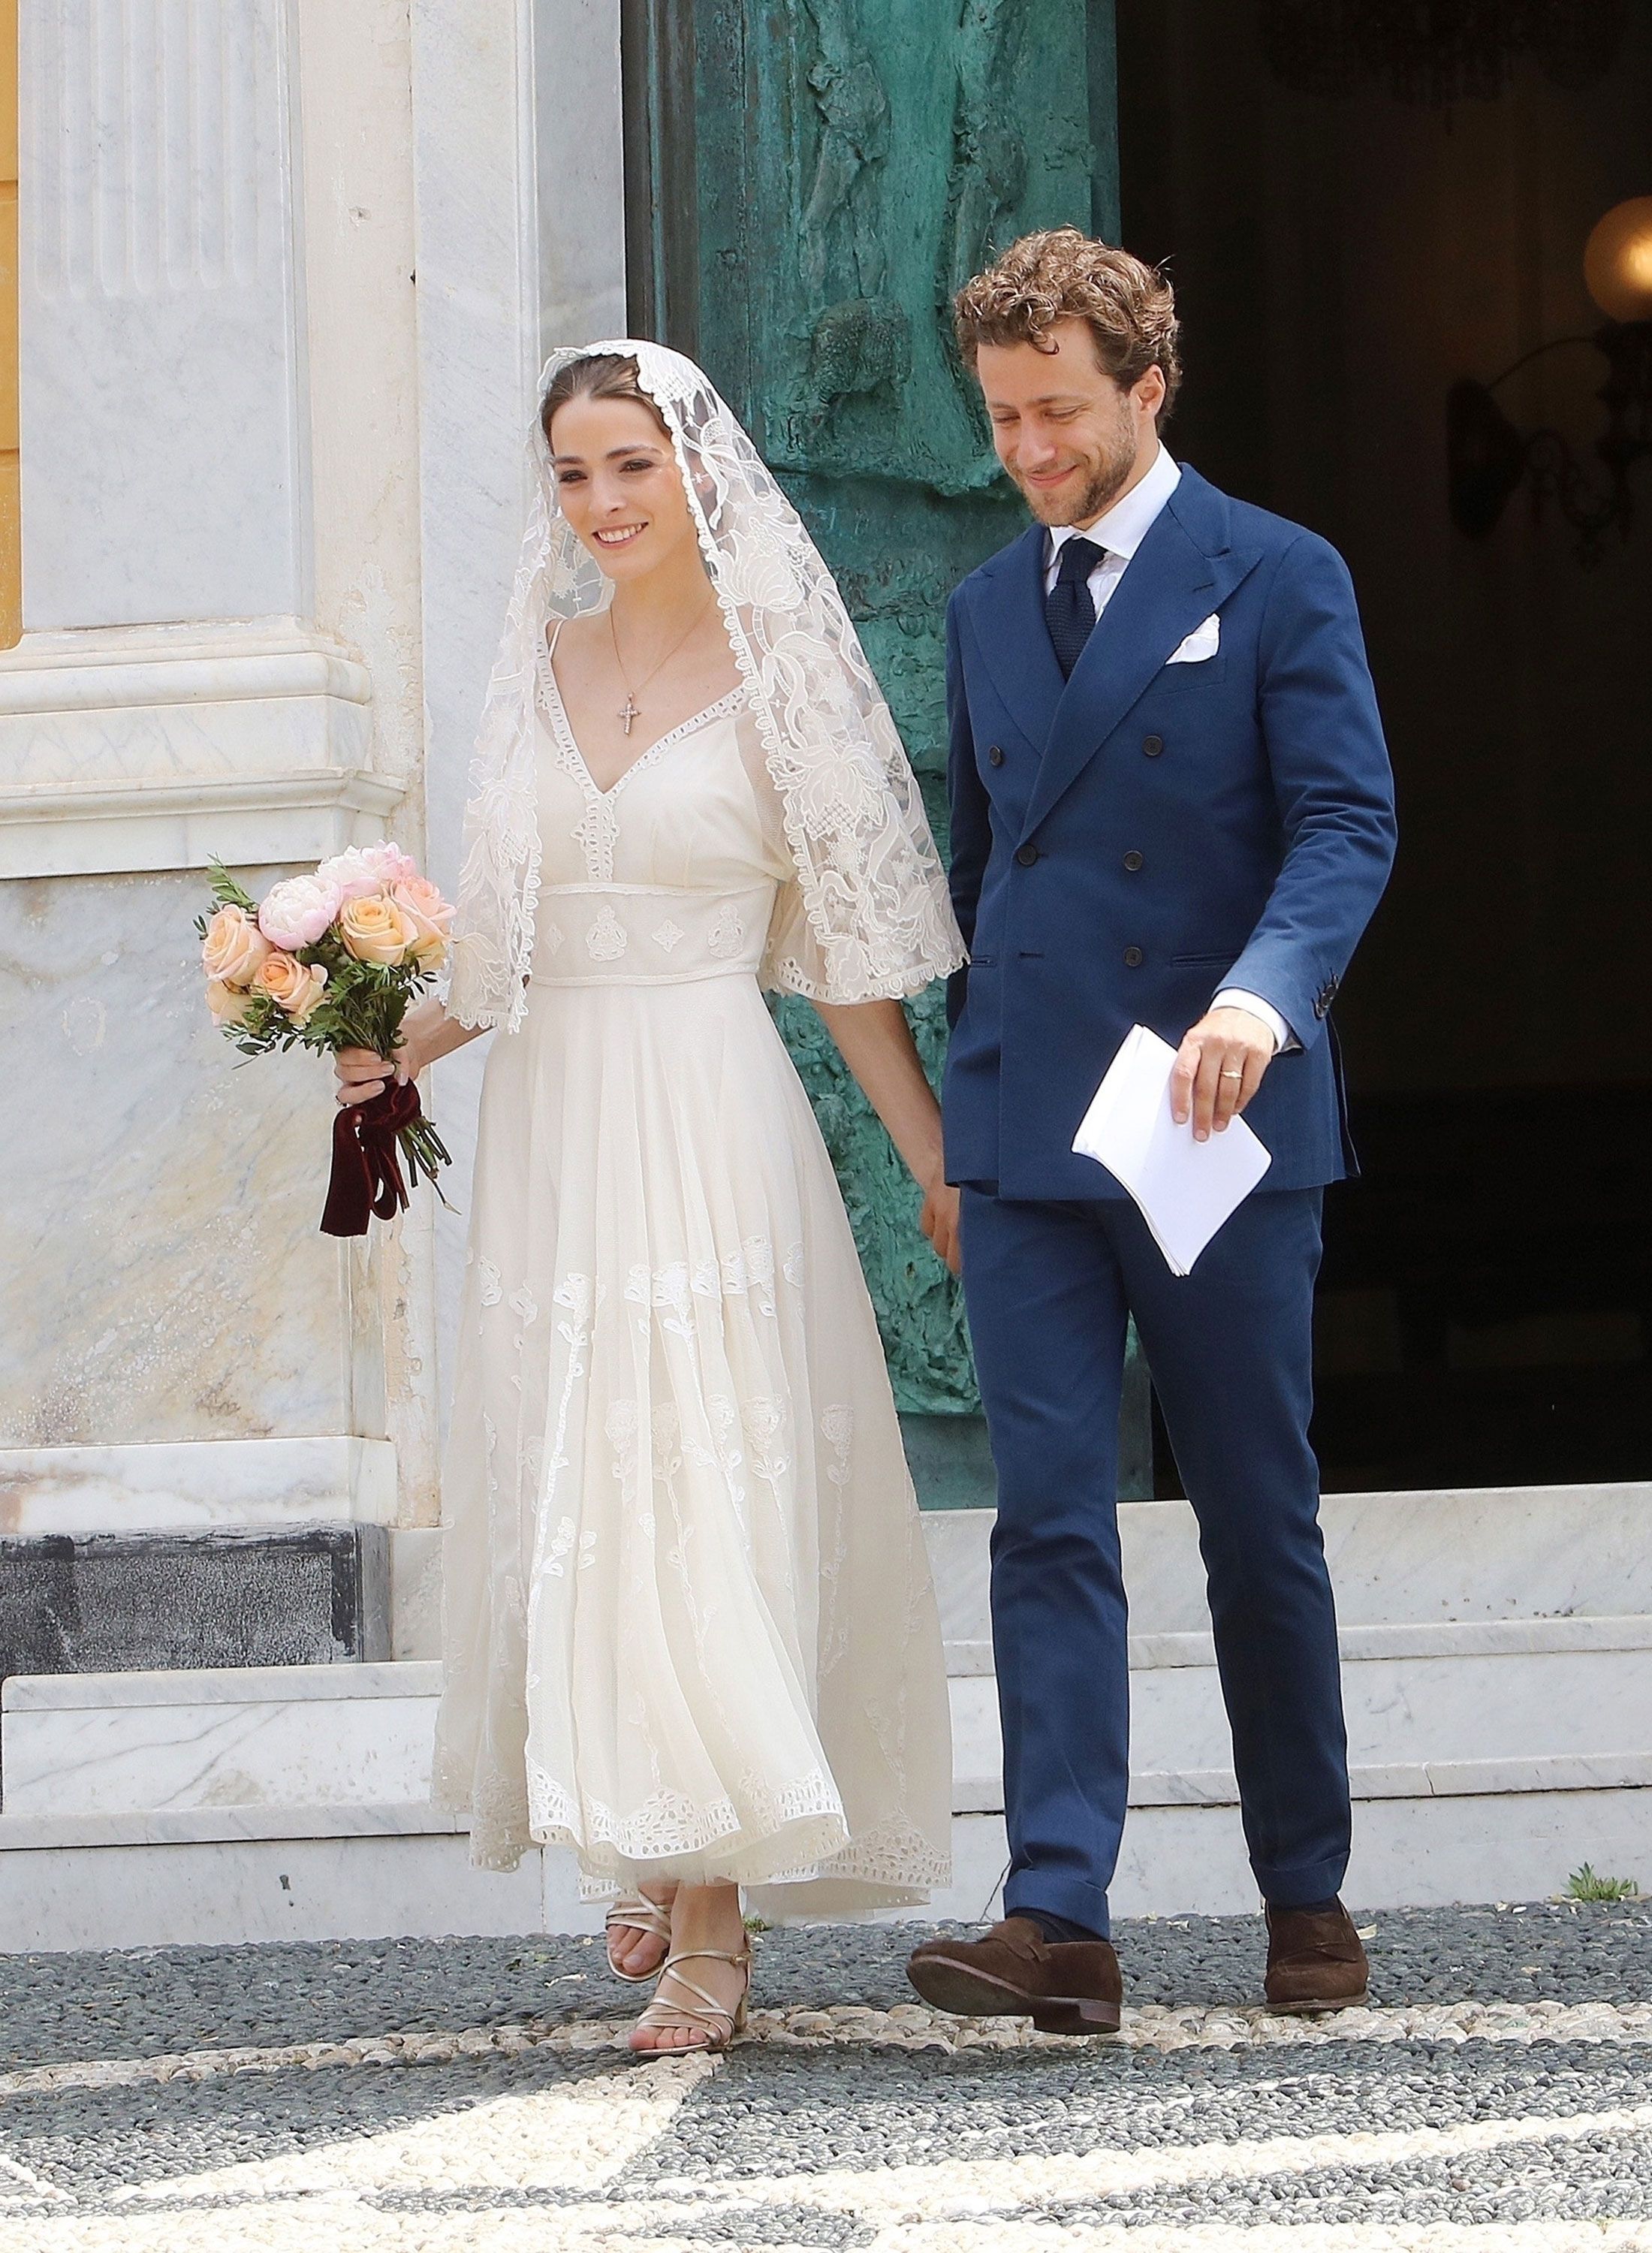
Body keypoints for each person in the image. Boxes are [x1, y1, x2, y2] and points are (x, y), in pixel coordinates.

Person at [336, 342, 960, 2053]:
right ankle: (644, 1817)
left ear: (698, 475)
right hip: (554, 1120)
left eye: (630, 466)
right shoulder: (533, 665)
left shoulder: (777, 681)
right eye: (571, 474)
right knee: (584, 1466)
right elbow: (506, 934)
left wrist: (925, 1153)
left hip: (704, 1107)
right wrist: (374, 1030)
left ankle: (710, 1914)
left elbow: (842, 958)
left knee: (697, 1472)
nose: (601, 504)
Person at [905, 231, 1397, 2034]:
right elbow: (980, 881)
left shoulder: (1275, 572)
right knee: (1044, 1517)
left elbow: (1342, 824)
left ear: (1144, 390)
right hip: (1035, 1129)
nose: (1027, 449)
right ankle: (1058, 1918)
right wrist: (961, 1131)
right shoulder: (976, 610)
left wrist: (1258, 1003)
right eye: (1002, 418)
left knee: (1254, 1513)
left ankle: (1304, 1895)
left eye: (1056, 412)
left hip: (1220, 1118)